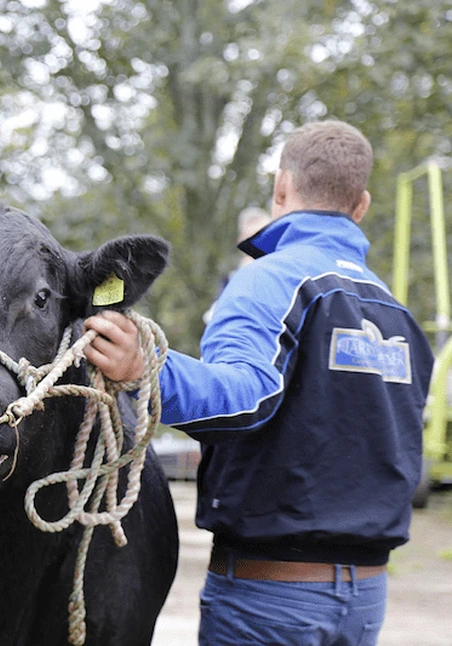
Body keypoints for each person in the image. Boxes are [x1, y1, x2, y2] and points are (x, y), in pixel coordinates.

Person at [84, 120, 434, 645]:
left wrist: (144, 368)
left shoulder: (268, 282)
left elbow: (248, 395)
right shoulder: (397, 315)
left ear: (280, 188)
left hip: (272, 598)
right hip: (364, 600)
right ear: (360, 206)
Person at [202, 206, 273, 324]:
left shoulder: (281, 274)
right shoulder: (230, 280)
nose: (257, 246)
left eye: (263, 237)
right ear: (240, 241)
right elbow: (213, 317)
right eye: (251, 238)